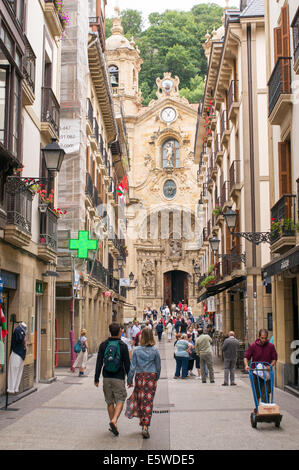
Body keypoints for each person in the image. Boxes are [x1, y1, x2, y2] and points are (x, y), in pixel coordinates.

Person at [94, 323, 131, 436]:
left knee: (109, 401)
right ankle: (114, 420)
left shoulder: (103, 344)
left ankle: (113, 424)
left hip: (106, 377)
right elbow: (127, 364)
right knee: (120, 399)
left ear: (110, 331)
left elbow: (99, 362)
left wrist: (96, 378)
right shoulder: (122, 345)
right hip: (118, 377)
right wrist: (130, 379)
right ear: (120, 332)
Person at [125, 327, 161, 439]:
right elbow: (158, 367)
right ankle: (145, 425)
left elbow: (132, 367)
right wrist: (156, 377)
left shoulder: (136, 350)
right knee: (148, 401)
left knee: (141, 400)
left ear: (142, 337)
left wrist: (129, 380)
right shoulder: (155, 350)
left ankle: (143, 423)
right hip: (151, 377)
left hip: (140, 377)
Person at [244, 329, 278, 405]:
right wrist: (246, 365)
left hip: (266, 372)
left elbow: (275, 358)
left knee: (265, 392)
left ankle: (265, 409)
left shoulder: (271, 346)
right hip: (255, 372)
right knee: (257, 392)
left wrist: (271, 365)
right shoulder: (253, 346)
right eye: (262, 338)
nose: (264, 340)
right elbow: (246, 356)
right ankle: (258, 407)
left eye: (265, 338)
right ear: (259, 337)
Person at [7, 322, 27, 394]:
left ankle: (13, 388)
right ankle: (13, 388)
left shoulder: (21, 330)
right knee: (15, 371)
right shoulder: (19, 330)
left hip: (18, 354)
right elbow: (20, 340)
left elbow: (21, 340)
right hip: (18, 354)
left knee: (15, 372)